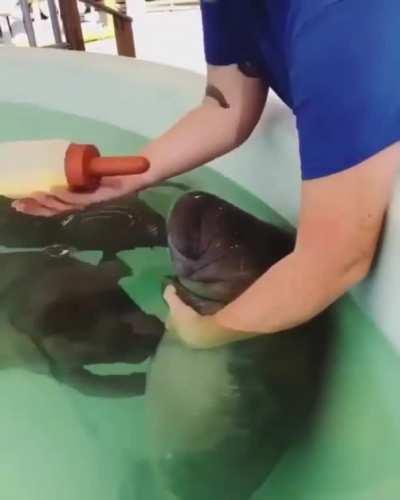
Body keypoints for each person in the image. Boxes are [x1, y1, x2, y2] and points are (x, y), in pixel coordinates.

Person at [14, 0, 400, 349]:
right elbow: (227, 105)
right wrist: (129, 176)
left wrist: (207, 333)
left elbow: (336, 257)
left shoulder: (344, 21)